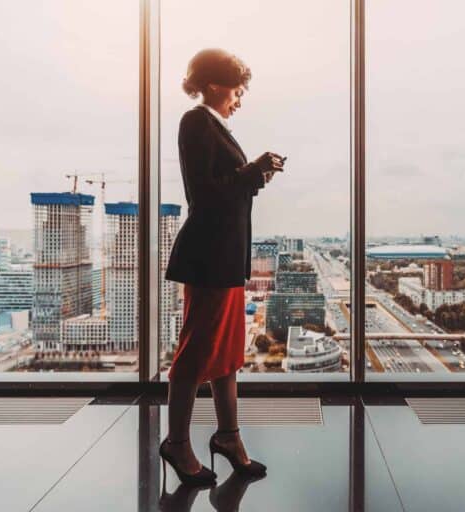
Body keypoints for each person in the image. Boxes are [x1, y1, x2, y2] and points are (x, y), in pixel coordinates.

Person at [161, 48, 284, 487]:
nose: (240, 98)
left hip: (225, 258)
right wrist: (254, 171)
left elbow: (226, 190)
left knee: (228, 354)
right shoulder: (196, 122)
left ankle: (229, 437)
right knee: (195, 355)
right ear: (214, 85)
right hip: (209, 257)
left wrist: (256, 173)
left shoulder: (215, 127)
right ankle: (176, 443)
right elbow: (205, 195)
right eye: (236, 89)